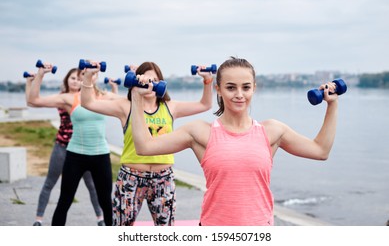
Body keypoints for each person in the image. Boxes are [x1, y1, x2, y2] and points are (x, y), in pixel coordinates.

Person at [130, 56, 339, 226]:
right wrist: (137, 99)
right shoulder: (200, 132)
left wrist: (332, 105)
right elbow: (144, 146)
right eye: (231, 88)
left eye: (245, 87)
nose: (239, 95)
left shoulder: (272, 131)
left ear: (254, 88)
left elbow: (320, 151)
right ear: (218, 89)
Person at [80, 61, 213, 226]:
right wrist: (87, 77)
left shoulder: (170, 107)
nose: (150, 84)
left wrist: (208, 80)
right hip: (131, 176)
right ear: (136, 81)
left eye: (154, 80)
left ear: (161, 83)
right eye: (145, 80)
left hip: (163, 178)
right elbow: (88, 103)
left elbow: (205, 104)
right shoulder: (125, 106)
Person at [27, 61, 120, 226]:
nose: (89, 75)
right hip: (76, 154)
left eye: (93, 73)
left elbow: (132, 101)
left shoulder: (105, 96)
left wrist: (137, 78)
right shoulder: (70, 98)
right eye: (85, 73)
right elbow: (33, 100)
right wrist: (40, 74)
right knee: (65, 200)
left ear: (97, 76)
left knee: (106, 202)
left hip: (101, 155)